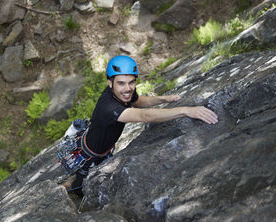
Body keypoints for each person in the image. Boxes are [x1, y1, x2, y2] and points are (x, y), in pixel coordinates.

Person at [63, 55, 218, 195]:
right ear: (110, 83)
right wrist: (185, 110)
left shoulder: (121, 93)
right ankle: (63, 188)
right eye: (121, 83)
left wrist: (165, 99)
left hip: (103, 148)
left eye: (131, 82)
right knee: (80, 188)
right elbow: (145, 115)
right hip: (89, 155)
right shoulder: (108, 107)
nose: (128, 88)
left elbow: (138, 101)